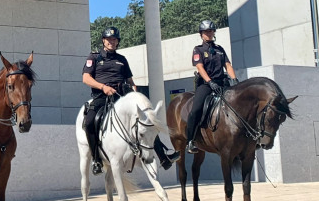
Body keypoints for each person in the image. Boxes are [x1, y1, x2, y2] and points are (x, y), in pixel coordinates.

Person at [82, 27, 180, 175]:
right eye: (109, 39)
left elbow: (130, 81)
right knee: (90, 122)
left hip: (123, 97)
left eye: (114, 40)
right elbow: (86, 78)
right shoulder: (94, 57)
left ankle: (163, 156)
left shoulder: (122, 60)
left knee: (147, 120)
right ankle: (97, 160)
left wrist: (135, 94)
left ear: (117, 42)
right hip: (102, 97)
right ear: (103, 40)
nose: (111, 42)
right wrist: (103, 87)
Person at [186, 20, 238, 154]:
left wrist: (235, 80)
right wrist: (209, 82)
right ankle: (190, 141)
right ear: (201, 34)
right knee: (196, 110)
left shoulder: (220, 49)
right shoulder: (198, 49)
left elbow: (228, 65)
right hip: (206, 84)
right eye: (206, 32)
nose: (209, 34)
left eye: (211, 31)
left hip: (222, 83)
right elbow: (199, 67)